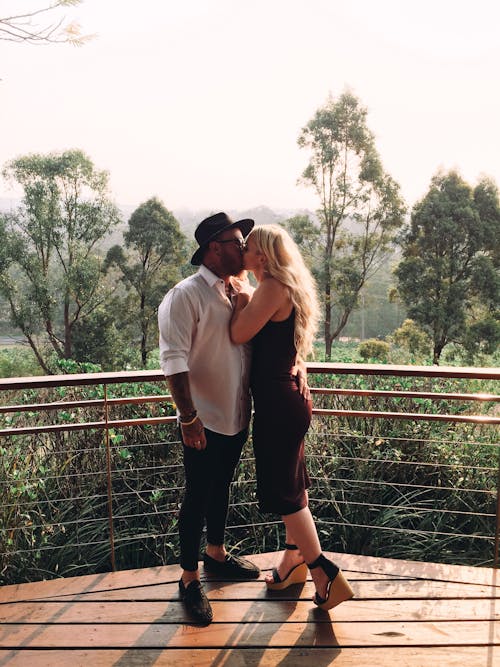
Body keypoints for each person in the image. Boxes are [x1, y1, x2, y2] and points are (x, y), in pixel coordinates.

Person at [230, 224, 354, 611]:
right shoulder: (281, 287)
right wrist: (248, 294)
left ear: (261, 256)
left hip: (278, 404)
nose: (241, 254)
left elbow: (239, 333)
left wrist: (237, 302)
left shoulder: (271, 288)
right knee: (292, 487)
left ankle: (324, 574)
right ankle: (293, 559)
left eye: (246, 248)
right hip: (287, 400)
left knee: (286, 494)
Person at [158, 212, 261, 625]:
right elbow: (173, 362)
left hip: (236, 415)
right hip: (203, 420)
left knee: (222, 488)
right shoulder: (184, 296)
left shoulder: (234, 289)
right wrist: (188, 418)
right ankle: (188, 579)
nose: (244, 248)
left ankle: (216, 555)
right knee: (197, 497)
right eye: (238, 242)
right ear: (214, 248)